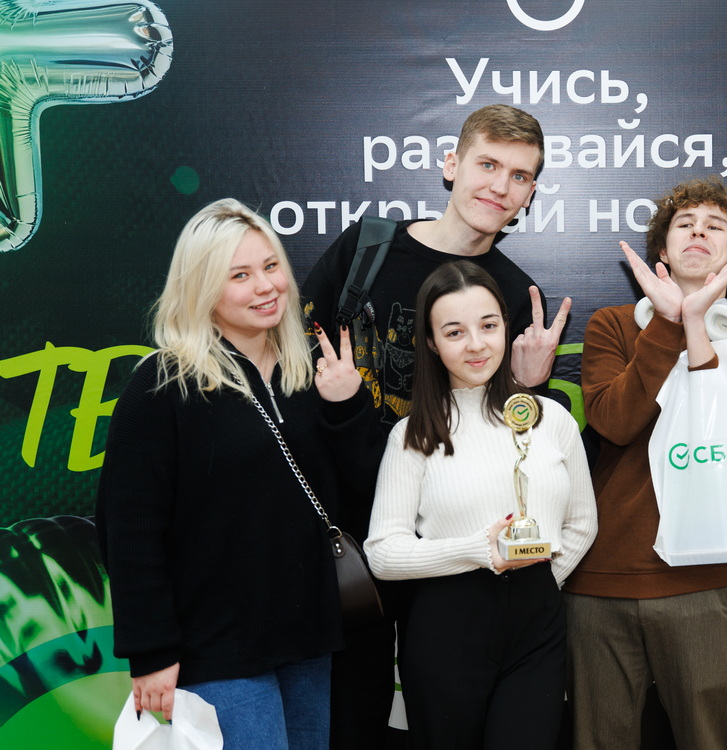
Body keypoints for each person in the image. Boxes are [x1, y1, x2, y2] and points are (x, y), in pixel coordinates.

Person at [300, 104, 570, 746]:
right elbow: (295, 362)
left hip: (447, 556)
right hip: (345, 537)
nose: (499, 186)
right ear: (451, 165)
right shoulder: (365, 249)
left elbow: (512, 440)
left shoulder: (515, 294)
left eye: (519, 176)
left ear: (531, 193)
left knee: (442, 724)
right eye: (487, 164)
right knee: (351, 720)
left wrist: (530, 384)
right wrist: (336, 403)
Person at [96, 198, 370, 748]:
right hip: (216, 648)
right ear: (202, 287)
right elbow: (129, 529)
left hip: (309, 639)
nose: (265, 286)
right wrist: (151, 651)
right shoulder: (164, 384)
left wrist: (347, 408)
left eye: (270, 267)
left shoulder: (307, 373)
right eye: (239, 275)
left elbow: (357, 492)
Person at [563, 177, 727, 749]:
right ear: (662, 251)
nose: (698, 232)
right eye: (684, 224)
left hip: (710, 583)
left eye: (716, 226)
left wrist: (694, 324)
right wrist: (667, 326)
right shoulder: (613, 326)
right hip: (605, 580)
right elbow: (615, 421)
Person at [363, 260, 596, 749]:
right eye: (454, 332)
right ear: (431, 343)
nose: (475, 344)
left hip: (537, 625)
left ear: (506, 328)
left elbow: (581, 524)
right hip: (445, 626)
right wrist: (477, 551)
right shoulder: (412, 435)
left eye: (488, 326)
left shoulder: (550, 418)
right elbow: (382, 553)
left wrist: (536, 581)